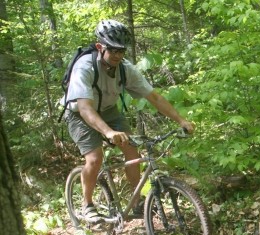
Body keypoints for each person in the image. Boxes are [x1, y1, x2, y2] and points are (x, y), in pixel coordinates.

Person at [63, 19, 195, 223]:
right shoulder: (85, 66)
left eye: (121, 51)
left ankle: (137, 202)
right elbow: (85, 107)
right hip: (80, 114)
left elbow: (155, 98)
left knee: (133, 151)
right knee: (94, 158)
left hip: (109, 111)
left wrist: (181, 120)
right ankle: (87, 204)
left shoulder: (126, 69)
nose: (117, 55)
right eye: (112, 50)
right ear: (100, 47)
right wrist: (107, 132)